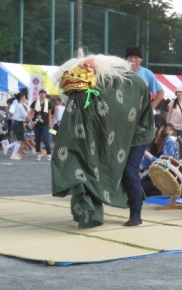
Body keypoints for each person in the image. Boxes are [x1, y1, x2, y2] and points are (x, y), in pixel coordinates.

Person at [52, 52, 155, 229]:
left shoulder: (129, 84)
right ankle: (84, 210)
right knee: (85, 167)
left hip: (140, 132)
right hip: (121, 134)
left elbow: (119, 114)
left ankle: (136, 214)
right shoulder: (88, 90)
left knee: (129, 170)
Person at [123, 46, 165, 226]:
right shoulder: (120, 74)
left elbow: (161, 92)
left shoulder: (147, 74)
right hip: (123, 127)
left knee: (130, 168)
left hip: (142, 128)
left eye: (135, 57)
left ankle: (136, 213)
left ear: (140, 60)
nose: (132, 60)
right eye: (129, 57)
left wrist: (151, 109)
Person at [140, 123, 178, 196]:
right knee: (137, 184)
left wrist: (145, 152)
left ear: (161, 128)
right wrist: (140, 166)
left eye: (153, 127)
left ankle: (168, 192)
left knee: (142, 187)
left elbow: (165, 165)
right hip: (155, 174)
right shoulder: (151, 141)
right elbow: (146, 162)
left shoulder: (169, 142)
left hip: (167, 176)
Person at [166, 87, 182, 161]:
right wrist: (168, 123)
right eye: (178, 92)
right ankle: (172, 155)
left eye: (181, 92)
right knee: (172, 141)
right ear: (176, 93)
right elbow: (169, 113)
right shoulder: (173, 101)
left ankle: (181, 157)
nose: (179, 93)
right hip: (173, 124)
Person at [3, 92, 29, 160]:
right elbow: (25, 115)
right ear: (21, 98)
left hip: (17, 122)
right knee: (20, 140)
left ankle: (8, 146)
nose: (25, 98)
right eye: (24, 96)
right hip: (18, 122)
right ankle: (13, 154)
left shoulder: (19, 105)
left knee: (21, 140)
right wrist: (28, 112)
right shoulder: (20, 106)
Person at [29, 89, 52, 161]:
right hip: (36, 123)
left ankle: (49, 154)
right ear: (39, 94)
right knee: (37, 139)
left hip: (45, 123)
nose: (42, 94)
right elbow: (30, 113)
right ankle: (38, 154)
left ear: (45, 94)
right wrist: (31, 122)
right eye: (41, 93)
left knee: (45, 139)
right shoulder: (35, 102)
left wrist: (50, 124)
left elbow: (49, 115)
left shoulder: (48, 103)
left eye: (44, 93)